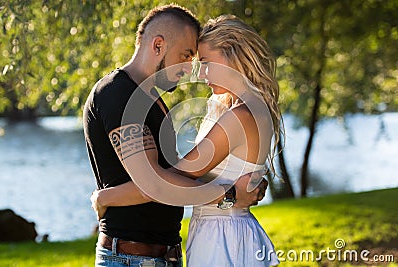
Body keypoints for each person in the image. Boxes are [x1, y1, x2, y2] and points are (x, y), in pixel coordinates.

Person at [91, 14, 282, 267]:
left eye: (204, 62)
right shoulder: (245, 110)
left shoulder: (239, 116)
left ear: (232, 56)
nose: (199, 73)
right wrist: (232, 192)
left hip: (221, 236)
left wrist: (105, 198)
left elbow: (166, 180)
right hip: (222, 230)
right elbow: (178, 177)